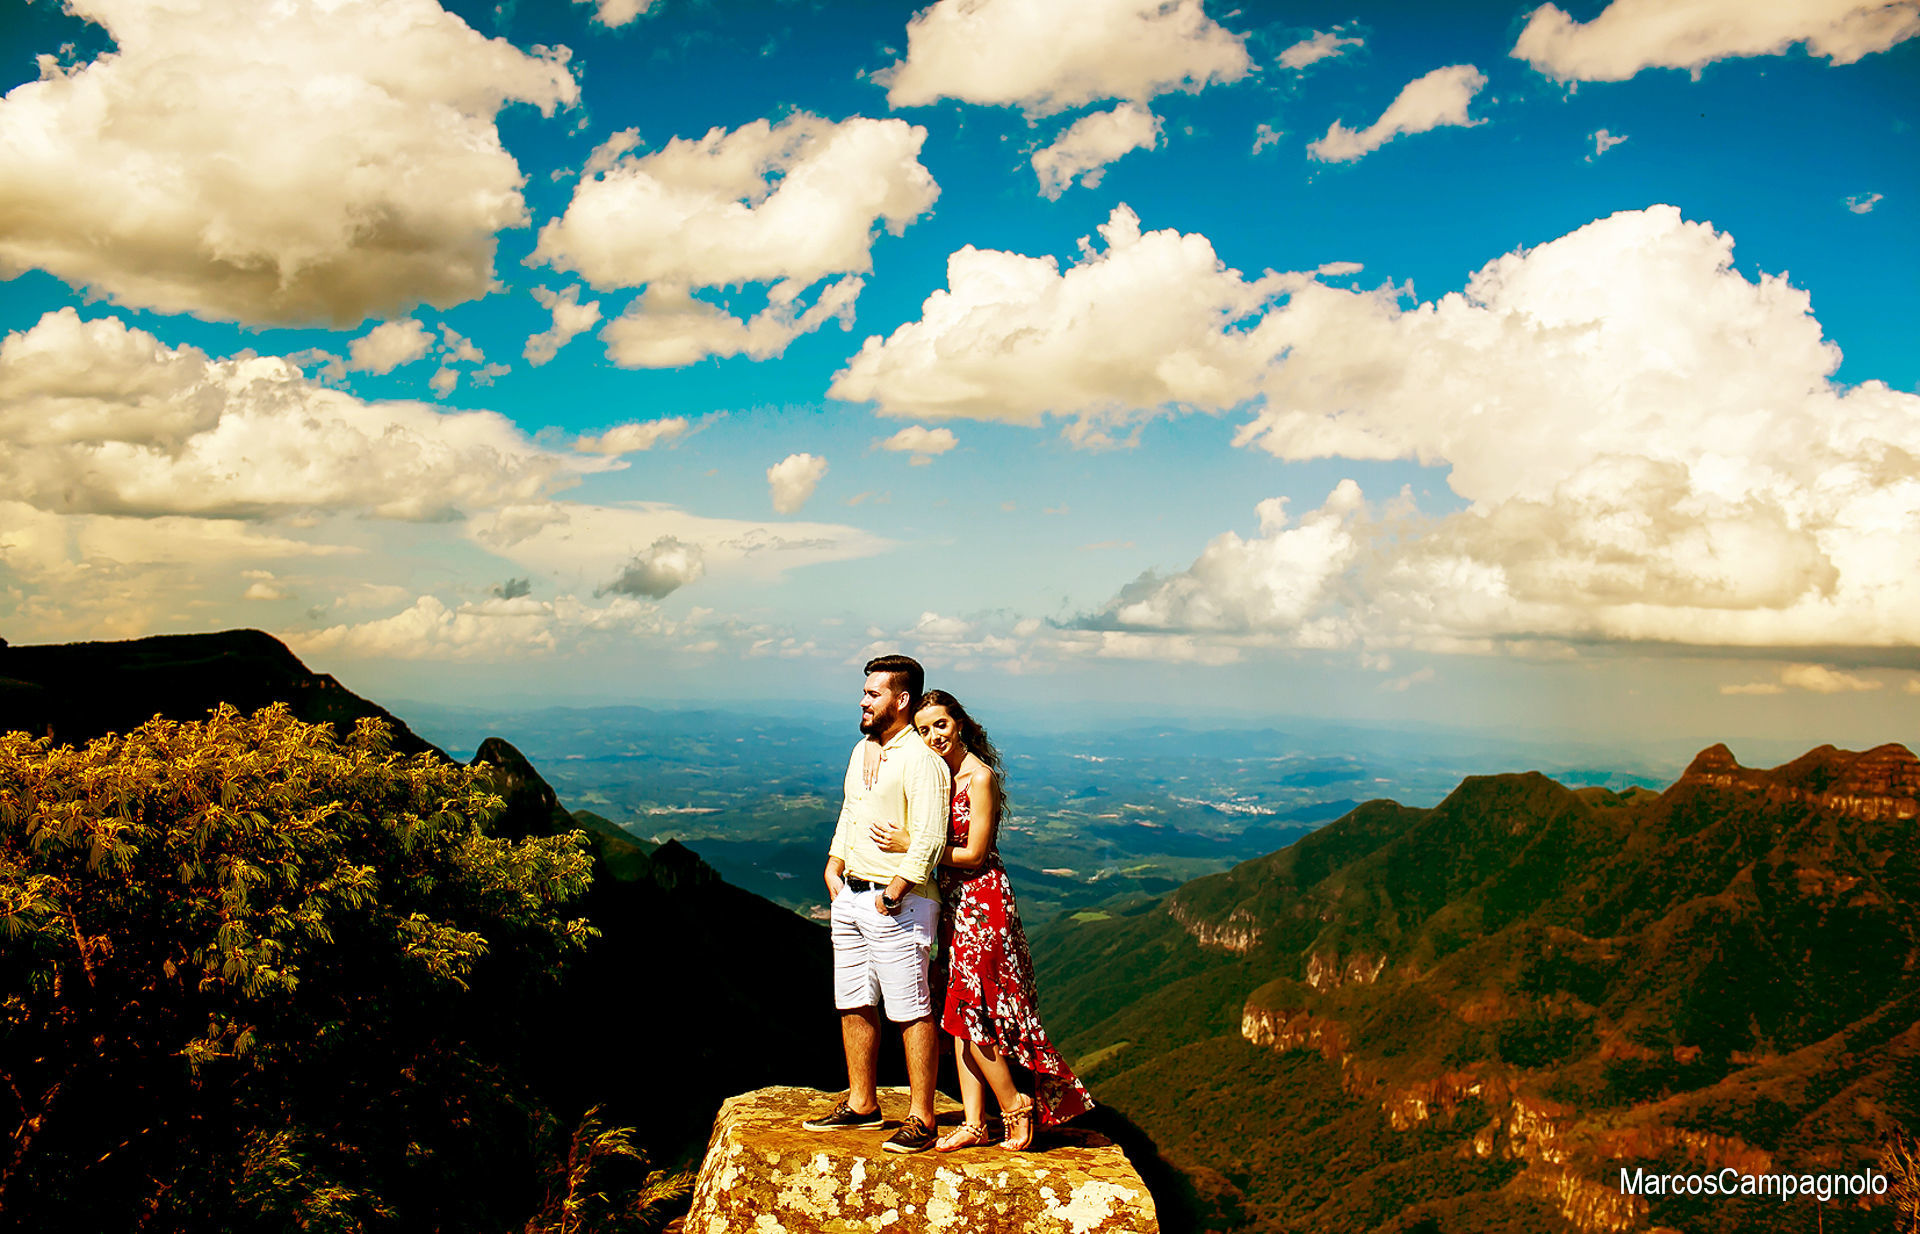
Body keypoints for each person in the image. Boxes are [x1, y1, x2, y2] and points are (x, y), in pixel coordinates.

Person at [872, 689, 1092, 1151]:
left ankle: (1015, 1107)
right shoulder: (937, 777)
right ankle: (974, 1123)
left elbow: (974, 854)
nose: (934, 736)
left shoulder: (979, 777)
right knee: (957, 1013)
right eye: (925, 729)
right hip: (954, 906)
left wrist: (913, 844)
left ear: (961, 725)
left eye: (942, 725)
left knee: (972, 1013)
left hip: (982, 900)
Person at [803, 655, 952, 1154]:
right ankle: (862, 1104)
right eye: (865, 692)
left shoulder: (924, 762)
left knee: (910, 1008)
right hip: (850, 892)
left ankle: (922, 1118)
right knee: (854, 1000)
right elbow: (852, 809)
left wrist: (894, 893)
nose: (863, 701)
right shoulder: (863, 751)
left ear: (901, 699)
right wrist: (833, 863)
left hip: (899, 903)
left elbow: (930, 838)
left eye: (873, 694)